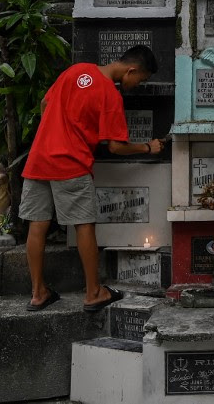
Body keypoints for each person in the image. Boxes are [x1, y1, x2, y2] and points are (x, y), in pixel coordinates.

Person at [19, 45, 165, 311]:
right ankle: (93, 292)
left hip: (39, 158)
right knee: (84, 224)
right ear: (131, 70)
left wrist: (55, 132)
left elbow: (45, 103)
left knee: (37, 226)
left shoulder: (77, 70)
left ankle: (38, 293)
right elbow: (115, 147)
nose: (136, 85)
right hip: (70, 164)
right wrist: (148, 147)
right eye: (140, 79)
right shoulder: (110, 94)